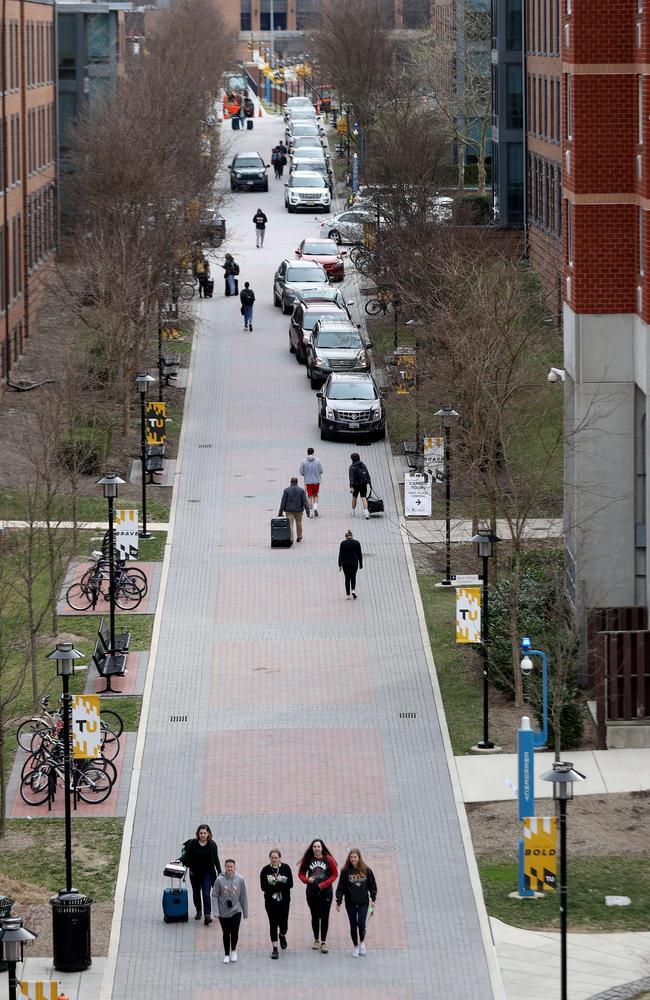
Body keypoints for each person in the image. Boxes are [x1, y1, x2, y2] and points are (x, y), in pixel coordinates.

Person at [336, 848, 377, 957]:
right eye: (351, 857)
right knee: (353, 925)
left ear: (359, 858)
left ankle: (362, 942)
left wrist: (373, 900)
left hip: (364, 902)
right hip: (350, 903)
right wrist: (338, 901)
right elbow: (341, 888)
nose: (353, 859)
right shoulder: (345, 872)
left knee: (362, 924)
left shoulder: (366, 870)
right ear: (349, 858)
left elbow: (372, 886)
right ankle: (355, 946)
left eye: (355, 857)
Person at [298, 839, 338, 953]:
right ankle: (316, 940)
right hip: (312, 892)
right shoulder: (308, 859)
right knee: (315, 916)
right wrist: (307, 880)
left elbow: (335, 874)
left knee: (325, 916)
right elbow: (300, 874)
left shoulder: (328, 859)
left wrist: (323, 884)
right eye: (314, 846)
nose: (316, 848)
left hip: (326, 892)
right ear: (312, 848)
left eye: (318, 846)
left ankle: (324, 942)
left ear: (322, 848)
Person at [180, 824, 222, 925]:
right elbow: (186, 856)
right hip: (194, 873)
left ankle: (207, 915)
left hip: (207, 874)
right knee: (196, 893)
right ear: (198, 834)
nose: (203, 835)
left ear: (208, 834)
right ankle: (199, 910)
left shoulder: (212, 845)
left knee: (206, 894)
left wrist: (219, 871)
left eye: (205, 833)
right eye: (201, 833)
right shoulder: (193, 844)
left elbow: (216, 859)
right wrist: (178, 860)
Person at [212, 859, 248, 964]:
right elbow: (214, 896)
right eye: (228, 866)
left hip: (236, 910)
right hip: (223, 911)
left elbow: (243, 896)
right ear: (225, 867)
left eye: (231, 866)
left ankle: (233, 951)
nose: (229, 868)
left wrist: (245, 912)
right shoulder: (219, 880)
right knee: (226, 933)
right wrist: (216, 911)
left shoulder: (240, 879)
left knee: (235, 931)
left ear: (234, 868)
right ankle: (226, 954)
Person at [260, 848, 294, 959]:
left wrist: (279, 882)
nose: (274, 859)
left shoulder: (286, 868)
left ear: (280, 858)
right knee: (273, 924)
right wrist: (276, 883)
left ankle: (282, 935)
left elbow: (290, 884)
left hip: (284, 901)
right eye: (272, 857)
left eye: (276, 857)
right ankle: (275, 949)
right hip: (270, 902)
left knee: (284, 924)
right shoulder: (265, 870)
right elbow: (263, 887)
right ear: (269, 858)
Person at [278, 476, 310, 543]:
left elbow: (283, 502)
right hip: (299, 511)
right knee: (299, 523)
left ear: (291, 482)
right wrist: (308, 512)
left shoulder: (286, 490)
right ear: (297, 482)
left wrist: (280, 512)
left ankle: (291, 539)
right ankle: (299, 536)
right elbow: (305, 501)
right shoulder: (301, 490)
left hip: (289, 511)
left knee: (290, 525)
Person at [338, 530, 363, 599]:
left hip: (345, 563)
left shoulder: (343, 543)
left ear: (346, 537)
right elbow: (359, 554)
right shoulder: (357, 543)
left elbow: (341, 554)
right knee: (353, 576)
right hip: (354, 563)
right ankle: (353, 590)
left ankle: (348, 595)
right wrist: (361, 564)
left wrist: (339, 564)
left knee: (347, 578)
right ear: (352, 536)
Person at [299, 447, 324, 516]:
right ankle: (315, 508)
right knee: (316, 495)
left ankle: (311, 512)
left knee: (309, 496)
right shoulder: (318, 461)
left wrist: (306, 473)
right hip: (316, 481)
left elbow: (301, 472)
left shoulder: (304, 462)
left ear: (307, 453)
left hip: (308, 482)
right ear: (313, 452)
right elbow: (321, 471)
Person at [349, 452, 372, 519]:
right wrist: (369, 482)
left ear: (352, 459)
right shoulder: (363, 465)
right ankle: (366, 513)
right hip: (363, 484)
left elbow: (351, 478)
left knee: (354, 497)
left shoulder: (352, 467)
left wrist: (351, 486)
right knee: (364, 498)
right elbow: (367, 474)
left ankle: (353, 512)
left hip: (356, 484)